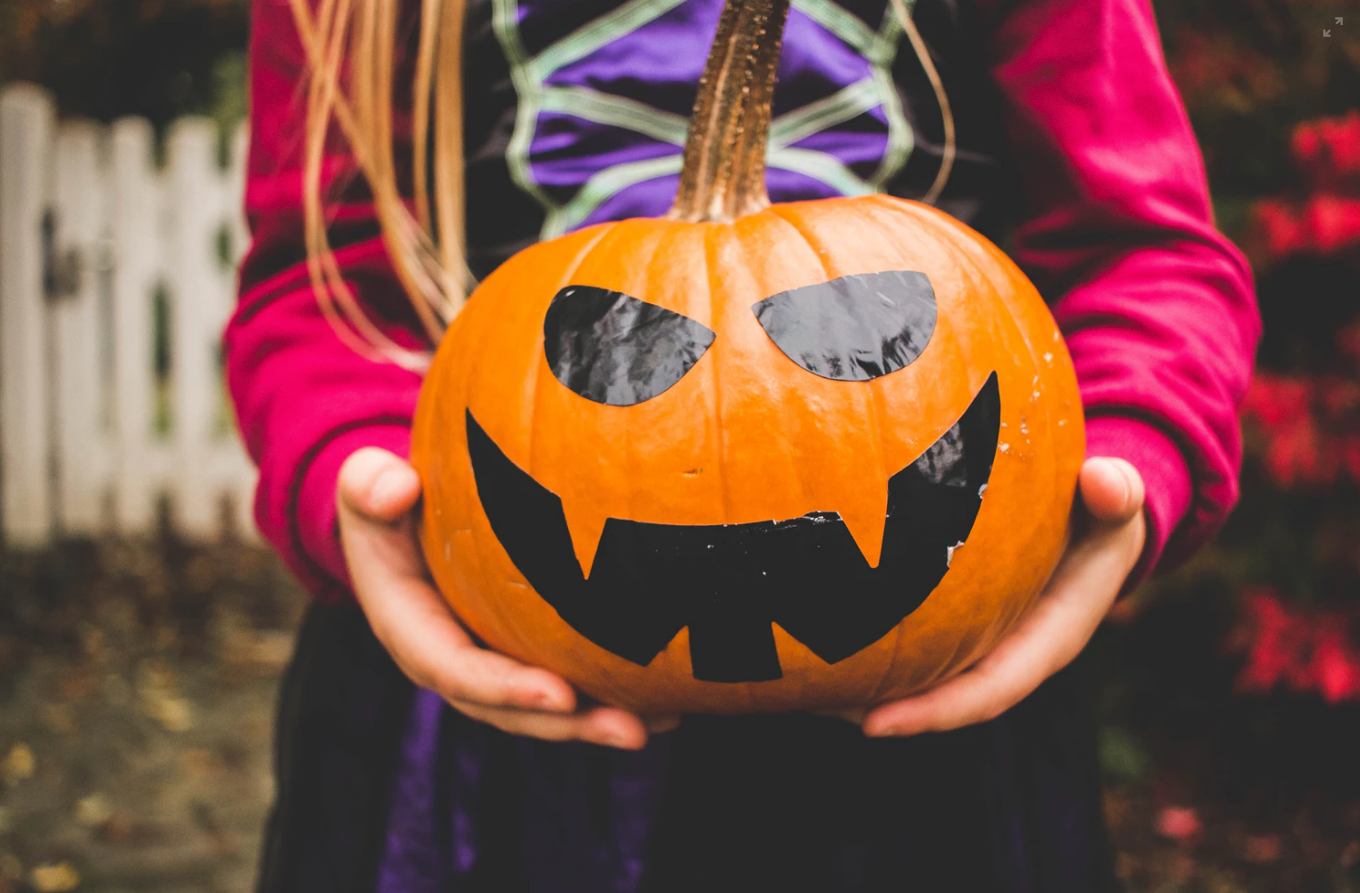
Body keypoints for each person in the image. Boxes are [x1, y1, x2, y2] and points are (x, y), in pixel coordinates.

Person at [227, 0, 1259, 889]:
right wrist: (349, 473)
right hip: (480, 682)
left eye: (859, 332)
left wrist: (1131, 451)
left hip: (939, 684)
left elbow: (1143, 250)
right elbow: (318, 286)